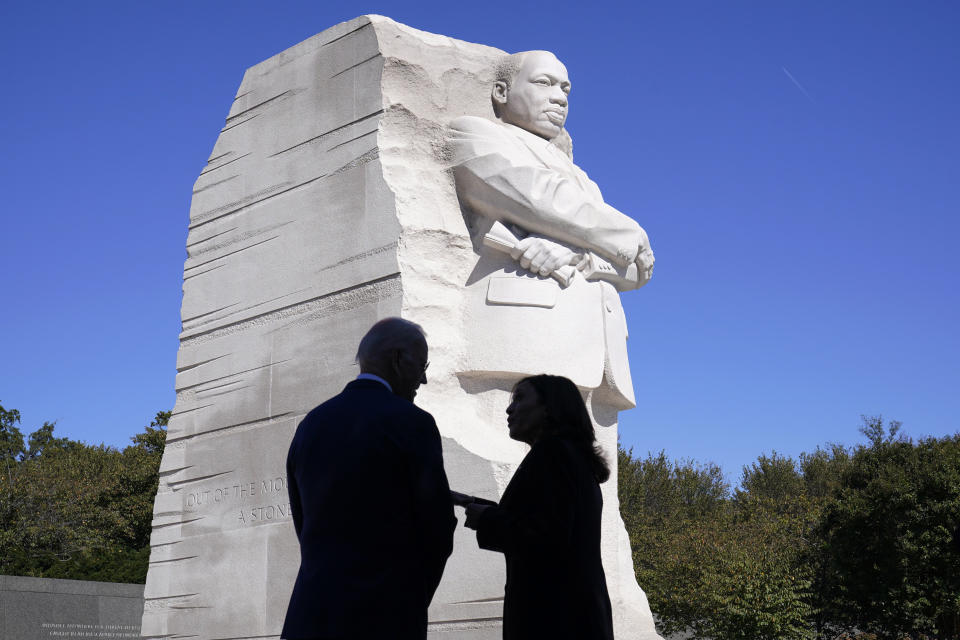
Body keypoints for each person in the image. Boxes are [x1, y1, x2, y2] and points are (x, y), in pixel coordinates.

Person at [448, 50, 655, 409]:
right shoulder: (474, 133)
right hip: (523, 333)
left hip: (597, 351)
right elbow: (538, 197)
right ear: (500, 92)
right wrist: (631, 232)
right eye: (544, 83)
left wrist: (578, 254)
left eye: (566, 89)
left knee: (587, 463)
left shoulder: (584, 180)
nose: (559, 97)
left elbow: (639, 270)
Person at [281, 317, 456, 640]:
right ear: (398, 359)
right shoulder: (413, 423)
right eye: (422, 365)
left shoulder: (311, 425)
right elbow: (438, 531)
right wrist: (410, 600)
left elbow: (304, 523)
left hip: (310, 616)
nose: (425, 379)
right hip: (383, 616)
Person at [461, 374, 615, 640]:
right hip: (574, 616)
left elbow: (547, 538)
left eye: (520, 399)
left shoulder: (553, 455)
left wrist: (487, 518)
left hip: (553, 619)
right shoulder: (571, 458)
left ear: (549, 408)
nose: (509, 408)